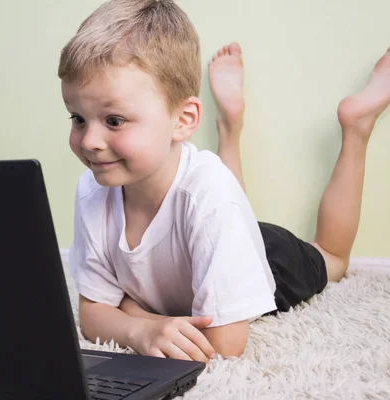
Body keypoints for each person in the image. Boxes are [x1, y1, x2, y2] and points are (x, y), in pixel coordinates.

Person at [58, 0, 390, 361]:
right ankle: (230, 124)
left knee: (333, 259)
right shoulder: (93, 190)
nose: (89, 141)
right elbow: (91, 315)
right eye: (77, 118)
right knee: (215, 202)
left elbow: (224, 344)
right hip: (206, 231)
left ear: (183, 120)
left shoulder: (212, 198)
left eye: (114, 121)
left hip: (270, 252)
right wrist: (140, 329)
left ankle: (356, 125)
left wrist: (129, 310)